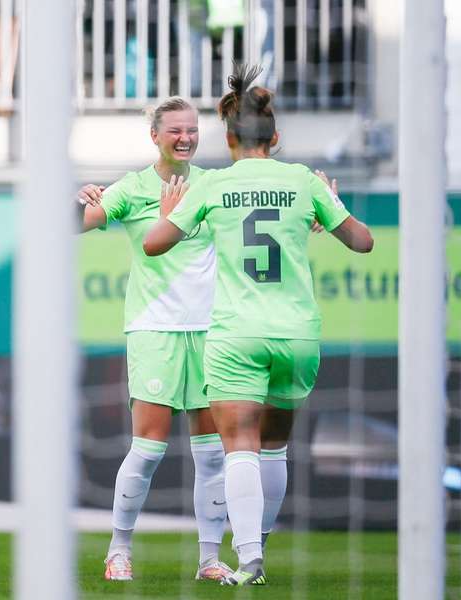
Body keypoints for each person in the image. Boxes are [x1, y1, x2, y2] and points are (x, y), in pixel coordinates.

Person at [143, 63, 374, 586]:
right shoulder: (302, 181)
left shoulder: (215, 186)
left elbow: (154, 244)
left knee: (239, 445)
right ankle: (260, 540)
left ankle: (249, 559)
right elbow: (362, 241)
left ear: (227, 137)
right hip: (296, 334)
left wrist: (171, 211)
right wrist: (330, 202)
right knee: (275, 445)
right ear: (276, 137)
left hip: (235, 335)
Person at [77, 97, 232, 583]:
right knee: (147, 449)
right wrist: (80, 200)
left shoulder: (214, 185)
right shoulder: (132, 188)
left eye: (192, 130)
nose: (185, 138)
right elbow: (76, 225)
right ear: (155, 136)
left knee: (211, 453)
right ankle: (118, 551)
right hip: (154, 331)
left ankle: (209, 559)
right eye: (175, 131)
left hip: (209, 333)